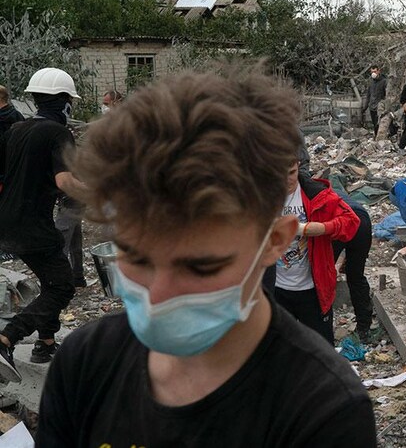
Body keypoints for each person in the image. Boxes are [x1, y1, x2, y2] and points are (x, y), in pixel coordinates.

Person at [36, 66, 376, 446]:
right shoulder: (85, 362)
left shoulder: (324, 409)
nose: (158, 295)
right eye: (136, 256)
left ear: (275, 241)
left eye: (200, 265)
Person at [0, 68, 82, 374]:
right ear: (63, 102)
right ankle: (7, 338)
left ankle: (45, 343)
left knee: (51, 278)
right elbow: (65, 182)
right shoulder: (59, 133)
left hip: (7, 221)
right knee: (62, 287)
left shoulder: (16, 130)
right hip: (33, 226)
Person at [272, 161, 360, 345]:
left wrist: (321, 228)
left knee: (321, 350)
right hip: (276, 289)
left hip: (313, 291)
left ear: (297, 166)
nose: (286, 180)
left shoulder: (317, 194)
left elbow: (351, 222)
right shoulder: (260, 196)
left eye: (291, 172)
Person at [332, 193, 375, 343]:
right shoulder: (336, 195)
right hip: (361, 219)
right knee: (356, 276)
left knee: (321, 278)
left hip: (340, 221)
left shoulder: (310, 198)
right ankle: (364, 330)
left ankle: (321, 327)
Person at [365, 64, 387, 135]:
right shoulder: (371, 81)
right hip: (372, 106)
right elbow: (368, 94)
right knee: (374, 124)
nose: (373, 73)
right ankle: (376, 137)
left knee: (379, 123)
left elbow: (386, 94)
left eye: (375, 71)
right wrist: (365, 106)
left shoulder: (384, 81)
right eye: (372, 72)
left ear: (378, 71)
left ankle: (380, 137)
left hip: (380, 107)